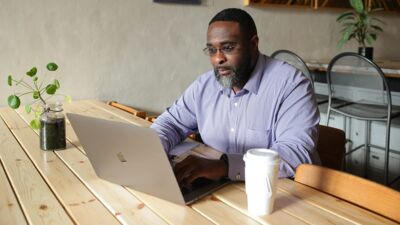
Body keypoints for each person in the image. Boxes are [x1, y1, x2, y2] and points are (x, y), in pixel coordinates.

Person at [151, 8, 320, 188]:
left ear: (253, 44)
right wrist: (153, 151)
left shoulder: (292, 85)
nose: (218, 59)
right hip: (222, 189)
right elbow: (171, 123)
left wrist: (225, 166)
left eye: (228, 48)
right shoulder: (205, 86)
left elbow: (294, 154)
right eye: (211, 50)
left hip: (277, 193)